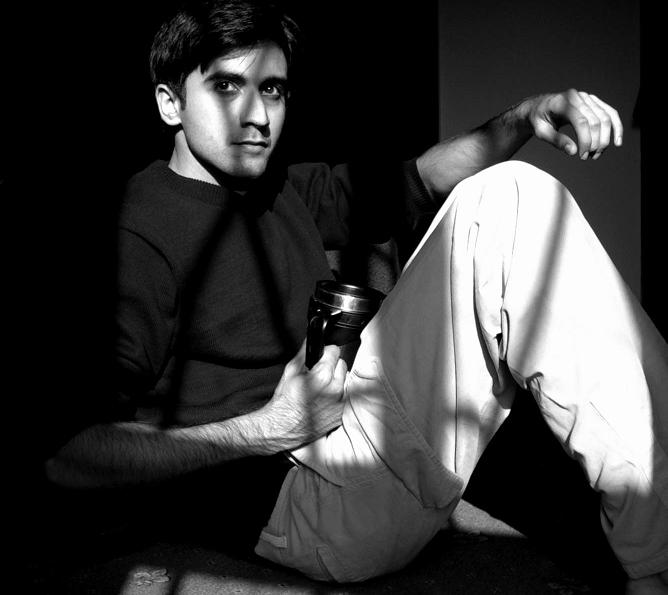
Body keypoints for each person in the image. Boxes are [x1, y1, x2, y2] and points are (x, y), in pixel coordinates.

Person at [42, 0, 667, 592]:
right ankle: (659, 550)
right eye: (228, 86)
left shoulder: (281, 190)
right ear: (170, 103)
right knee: (512, 198)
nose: (258, 116)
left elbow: (421, 178)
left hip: (364, 445)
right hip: (308, 501)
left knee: (513, 195)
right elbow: (67, 456)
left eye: (273, 89)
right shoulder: (140, 230)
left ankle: (657, 543)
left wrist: (524, 117)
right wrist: (268, 428)